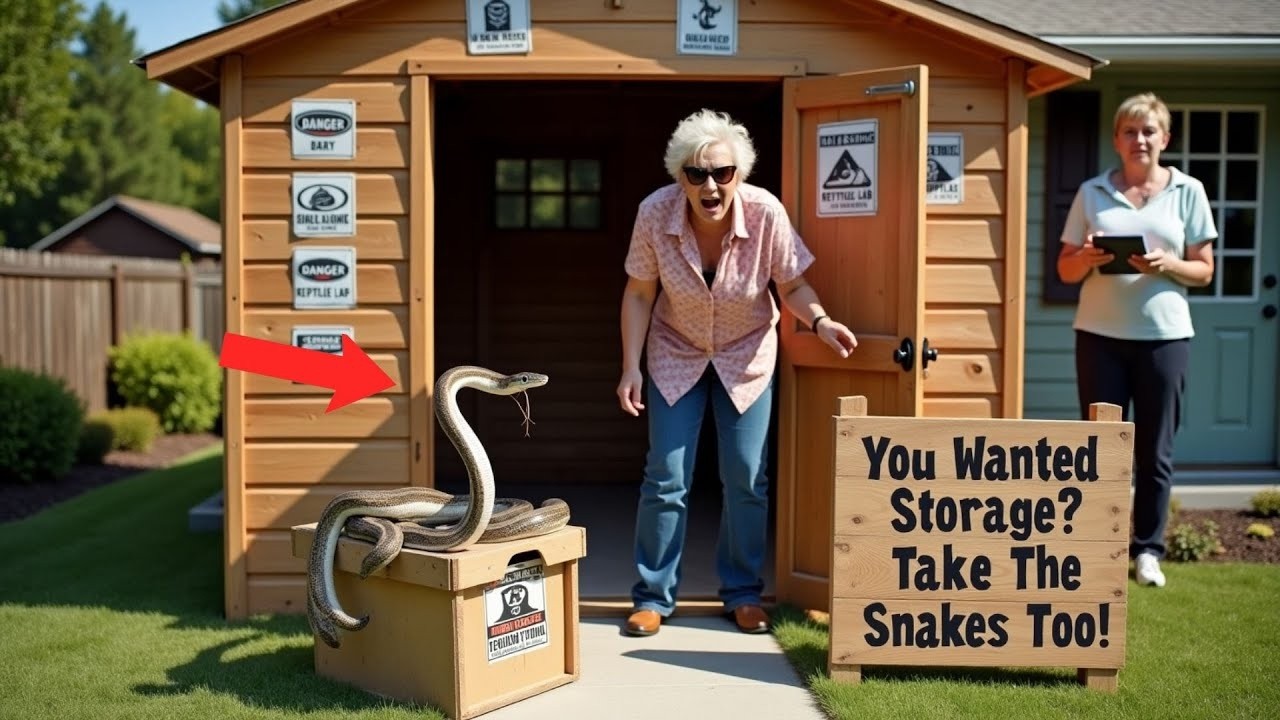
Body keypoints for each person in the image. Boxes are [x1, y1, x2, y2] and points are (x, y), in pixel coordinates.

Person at [616, 109, 857, 635]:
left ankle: (743, 592)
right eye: (696, 173)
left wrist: (819, 321)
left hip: (746, 356)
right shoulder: (654, 214)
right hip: (674, 352)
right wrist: (630, 366)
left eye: (722, 173)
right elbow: (638, 293)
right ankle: (652, 597)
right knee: (666, 477)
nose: (710, 185)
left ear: (738, 175)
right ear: (680, 176)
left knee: (746, 477)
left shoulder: (766, 212)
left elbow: (792, 285)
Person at [1056, 92, 1216, 588]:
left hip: (1164, 339)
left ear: (1164, 139)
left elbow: (1205, 271)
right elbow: (1064, 269)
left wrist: (1169, 264)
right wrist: (1086, 259)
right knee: (1100, 448)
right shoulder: (1092, 191)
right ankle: (1096, 547)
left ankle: (1147, 550)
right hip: (1099, 337)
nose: (1139, 139)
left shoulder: (1189, 190)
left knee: (1155, 450)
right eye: (1130, 131)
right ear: (1116, 140)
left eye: (1149, 131)